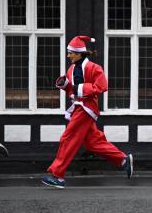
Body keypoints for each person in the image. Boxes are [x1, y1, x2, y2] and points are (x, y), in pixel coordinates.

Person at [42, 35, 133, 189]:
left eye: (70, 52)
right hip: (78, 107)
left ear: (79, 53)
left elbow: (102, 86)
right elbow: (73, 92)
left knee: (68, 138)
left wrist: (79, 88)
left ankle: (58, 176)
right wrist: (65, 86)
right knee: (93, 143)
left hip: (86, 109)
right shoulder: (71, 69)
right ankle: (123, 161)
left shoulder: (94, 68)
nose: (68, 55)